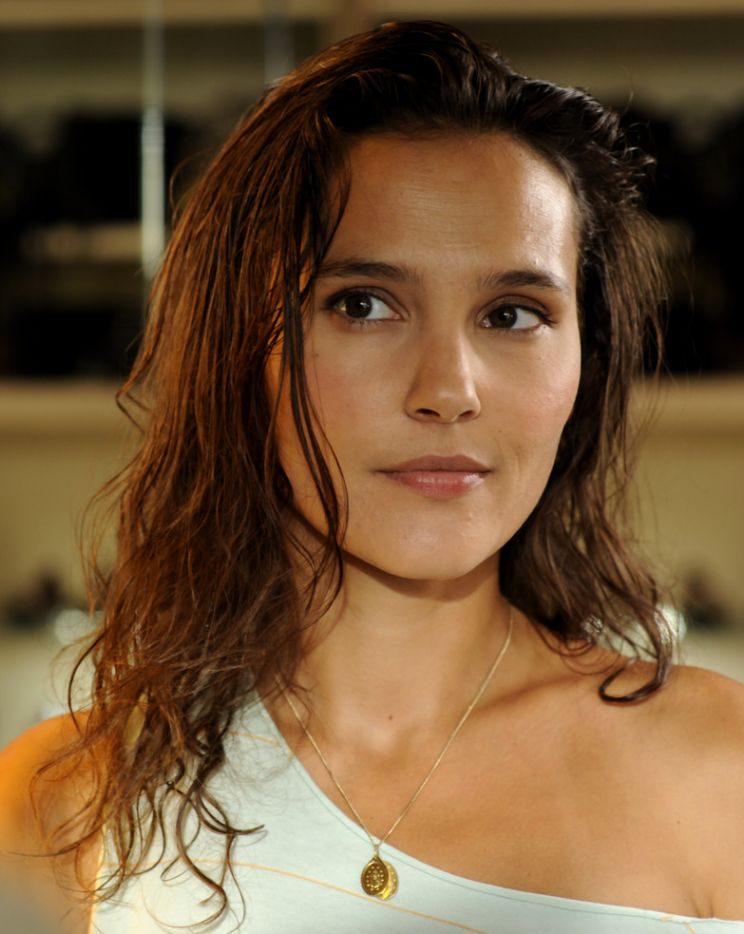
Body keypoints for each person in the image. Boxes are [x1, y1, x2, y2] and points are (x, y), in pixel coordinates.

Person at [2, 19, 744, 934]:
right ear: (240, 349)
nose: (448, 390)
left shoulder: (723, 772)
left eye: (513, 314)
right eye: (363, 305)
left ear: (585, 364)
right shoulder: (63, 801)